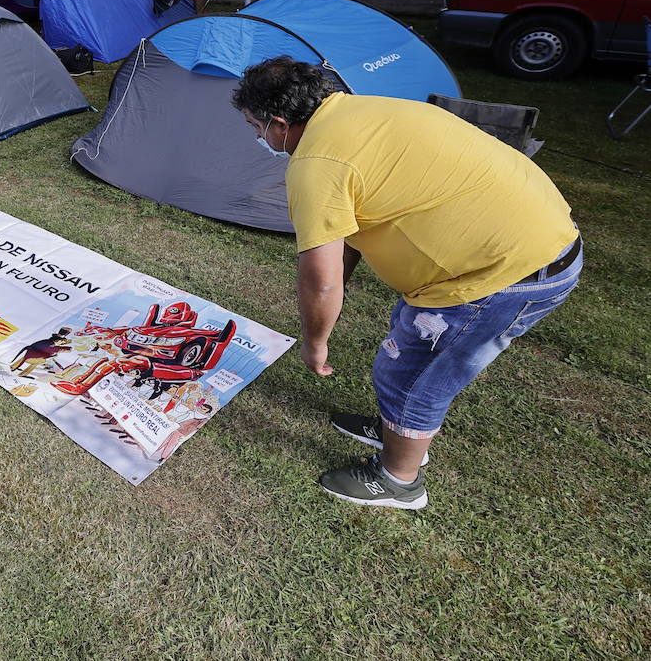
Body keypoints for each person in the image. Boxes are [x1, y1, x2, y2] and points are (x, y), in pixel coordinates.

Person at [231, 57, 582, 510]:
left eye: (254, 126)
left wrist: (315, 342)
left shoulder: (316, 163)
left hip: (503, 275)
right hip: (538, 241)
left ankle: (399, 480)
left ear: (279, 124)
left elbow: (320, 280)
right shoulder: (363, 110)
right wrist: (342, 282)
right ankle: (394, 431)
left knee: (412, 376)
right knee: (409, 338)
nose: (258, 137)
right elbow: (347, 233)